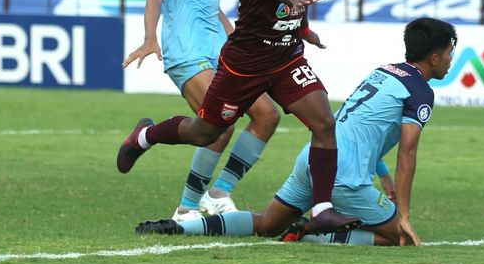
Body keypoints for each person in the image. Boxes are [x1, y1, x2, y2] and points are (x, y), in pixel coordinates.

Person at [118, 0, 360, 234]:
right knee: (209, 131)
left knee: (319, 122)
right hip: (239, 63)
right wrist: (149, 36)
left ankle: (319, 208)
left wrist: (303, 29)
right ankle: (150, 141)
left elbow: (262, 6)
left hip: (284, 59)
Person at [135, 17, 458, 246]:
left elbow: (357, 125)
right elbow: (408, 152)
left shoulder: (384, 73)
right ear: (434, 57)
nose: (450, 59)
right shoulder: (419, 91)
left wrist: (382, 175)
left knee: (266, 224)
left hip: (314, 159)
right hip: (345, 178)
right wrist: (404, 214)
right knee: (398, 238)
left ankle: (184, 228)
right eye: (449, 53)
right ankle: (315, 234)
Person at [120, 0, 281, 221]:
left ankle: (220, 192)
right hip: (187, 52)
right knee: (218, 125)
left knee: (268, 115)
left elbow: (208, 2)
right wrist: (151, 37)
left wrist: (233, 32)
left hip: (221, 51)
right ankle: (186, 205)